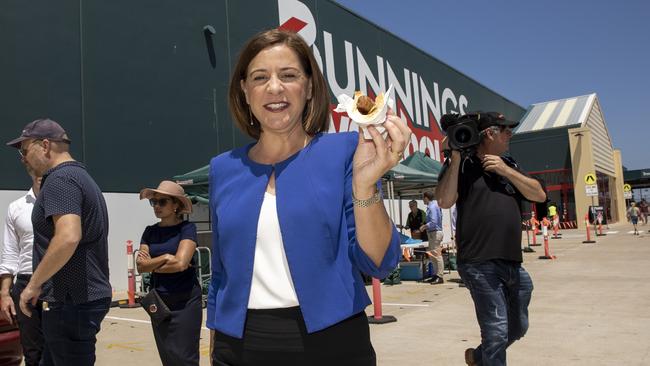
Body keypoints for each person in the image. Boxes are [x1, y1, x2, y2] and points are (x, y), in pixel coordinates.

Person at [206, 29, 410, 365]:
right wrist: (215, 345)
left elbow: (378, 263)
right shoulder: (223, 168)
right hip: (239, 346)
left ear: (309, 86)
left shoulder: (345, 151)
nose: (274, 87)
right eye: (260, 77)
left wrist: (365, 186)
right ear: (244, 90)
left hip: (334, 340)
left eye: (289, 75)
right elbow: (220, 274)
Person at [436, 112, 546, 366]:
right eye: (506, 130)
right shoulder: (463, 165)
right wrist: (453, 158)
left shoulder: (510, 163)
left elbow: (538, 195)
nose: (510, 135)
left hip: (511, 262)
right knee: (496, 330)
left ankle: (478, 357)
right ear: (489, 133)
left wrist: (506, 171)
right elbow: (444, 200)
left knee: (518, 327)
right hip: (478, 262)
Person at [6, 118, 112, 366]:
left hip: (71, 304)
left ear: (44, 145)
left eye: (24, 150)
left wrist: (33, 284)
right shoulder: (80, 177)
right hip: (76, 302)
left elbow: (68, 236)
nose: (22, 158)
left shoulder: (60, 179)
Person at [136, 180, 202, 365]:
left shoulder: (187, 228)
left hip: (186, 301)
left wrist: (152, 264)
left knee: (185, 358)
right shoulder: (149, 232)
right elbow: (140, 266)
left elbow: (181, 264)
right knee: (168, 356)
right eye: (154, 202)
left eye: (162, 202)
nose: (156, 206)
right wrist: (165, 257)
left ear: (176, 205)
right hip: (159, 302)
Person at [0, 168, 44, 366]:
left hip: (57, 282)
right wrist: (5, 293)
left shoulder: (64, 204)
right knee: (32, 351)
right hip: (25, 281)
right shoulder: (16, 207)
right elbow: (10, 254)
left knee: (59, 349)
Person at [419, 191, 444, 284]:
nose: (422, 200)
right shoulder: (433, 206)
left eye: (422, 198)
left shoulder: (432, 207)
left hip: (435, 233)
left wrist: (424, 226)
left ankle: (440, 276)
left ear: (426, 198)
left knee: (436, 255)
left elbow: (434, 222)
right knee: (433, 255)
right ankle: (436, 274)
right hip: (433, 233)